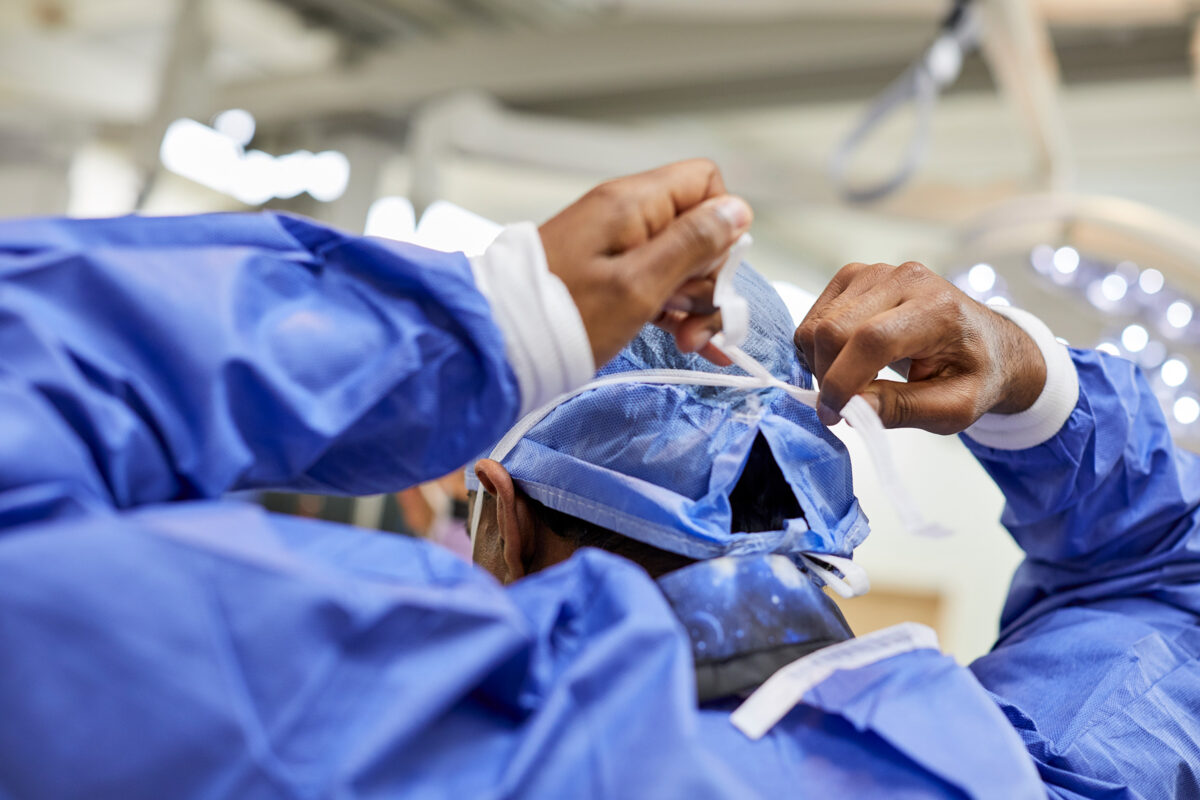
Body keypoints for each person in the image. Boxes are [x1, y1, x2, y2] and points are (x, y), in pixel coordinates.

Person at [0, 157, 1192, 799]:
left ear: (495, 511)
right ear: (819, 521)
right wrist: (1037, 386)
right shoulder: (1007, 773)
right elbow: (1165, 586)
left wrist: (481, 327)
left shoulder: (313, 736)